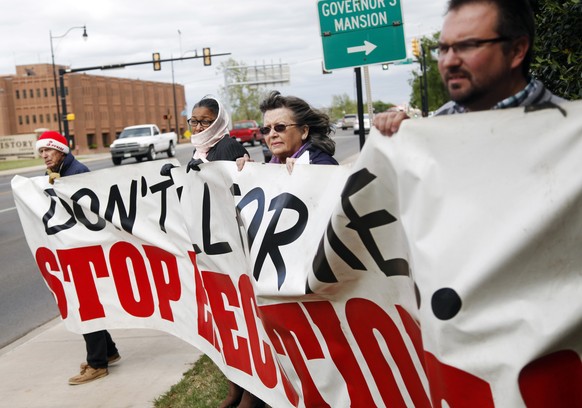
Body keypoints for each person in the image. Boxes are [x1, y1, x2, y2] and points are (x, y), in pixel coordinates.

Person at [373, 0, 565, 136]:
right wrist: (407, 136)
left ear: (516, 51)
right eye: (443, 48)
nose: (449, 61)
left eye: (467, 46)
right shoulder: (439, 125)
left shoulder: (569, 130)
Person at [36, 130, 121, 385]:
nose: (44, 155)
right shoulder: (57, 173)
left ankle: (98, 364)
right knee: (85, 302)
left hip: (84, 250)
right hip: (73, 248)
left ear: (60, 149)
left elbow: (88, 213)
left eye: (47, 150)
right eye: (41, 151)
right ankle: (109, 351)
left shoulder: (77, 172)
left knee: (84, 305)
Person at [237, 90, 338, 173]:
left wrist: (307, 173)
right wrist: (248, 173)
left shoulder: (324, 166)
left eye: (280, 127)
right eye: (266, 129)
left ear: (304, 131)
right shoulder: (273, 166)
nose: (272, 135)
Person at [188, 96, 248, 162]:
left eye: (205, 121)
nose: (198, 128)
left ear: (218, 123)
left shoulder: (229, 146)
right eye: (194, 121)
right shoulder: (198, 151)